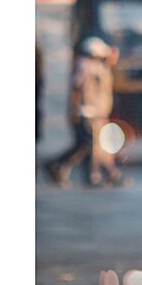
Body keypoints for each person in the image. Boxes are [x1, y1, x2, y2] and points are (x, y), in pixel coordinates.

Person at [44, 37, 124, 188]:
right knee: (88, 145)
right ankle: (87, 174)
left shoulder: (98, 66)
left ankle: (108, 174)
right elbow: (76, 88)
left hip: (97, 114)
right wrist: (74, 110)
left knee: (91, 146)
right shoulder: (85, 66)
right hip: (86, 113)